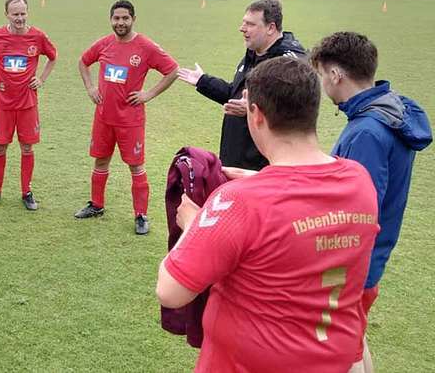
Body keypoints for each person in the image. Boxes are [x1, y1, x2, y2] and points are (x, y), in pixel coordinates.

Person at [156, 57, 380, 373]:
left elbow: (171, 291)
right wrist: (258, 179)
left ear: (256, 115)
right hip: (332, 358)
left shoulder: (239, 203)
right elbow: (301, 204)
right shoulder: (358, 181)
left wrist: (193, 223)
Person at [310, 32, 432, 372]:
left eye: (322, 75)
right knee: (355, 340)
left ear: (335, 75)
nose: (323, 84)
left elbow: (359, 211)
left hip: (353, 265)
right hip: (370, 258)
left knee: (339, 352)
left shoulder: (366, 131)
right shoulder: (390, 110)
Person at [74, 0, 178, 234]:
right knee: (100, 161)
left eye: (125, 18)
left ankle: (141, 215)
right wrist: (90, 87)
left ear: (133, 19)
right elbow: (82, 61)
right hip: (103, 117)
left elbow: (172, 70)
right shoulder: (104, 44)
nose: (120, 23)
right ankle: (96, 205)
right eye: (116, 18)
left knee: (135, 166)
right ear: (111, 20)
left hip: (130, 120)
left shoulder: (145, 46)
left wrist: (148, 93)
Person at [176, 0, 306, 170]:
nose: (242, 28)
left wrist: (255, 109)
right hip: (236, 157)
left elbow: (296, 109)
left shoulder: (288, 64)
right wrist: (203, 81)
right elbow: (235, 94)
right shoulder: (254, 54)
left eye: (250, 24)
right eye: (243, 22)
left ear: (271, 28)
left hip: (260, 166)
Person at [0, 0, 57, 210]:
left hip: (28, 102)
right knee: (0, 146)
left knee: (27, 147)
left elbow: (53, 56)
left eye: (23, 13)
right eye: (15, 14)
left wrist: (41, 78)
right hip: (3, 102)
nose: (19, 18)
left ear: (27, 13)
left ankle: (26, 191)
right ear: (7, 15)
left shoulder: (38, 36)